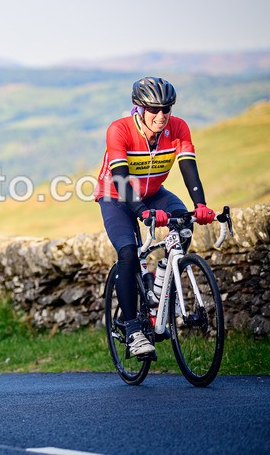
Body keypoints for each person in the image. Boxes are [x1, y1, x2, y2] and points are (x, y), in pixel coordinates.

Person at [94, 77, 215, 358]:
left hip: (154, 191)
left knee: (184, 227)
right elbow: (121, 179)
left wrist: (201, 205)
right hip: (116, 194)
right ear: (139, 108)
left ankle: (160, 285)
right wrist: (141, 212)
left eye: (167, 109)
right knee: (128, 253)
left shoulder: (178, 128)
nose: (162, 116)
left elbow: (188, 166)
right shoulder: (119, 130)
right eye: (154, 110)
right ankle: (134, 329)